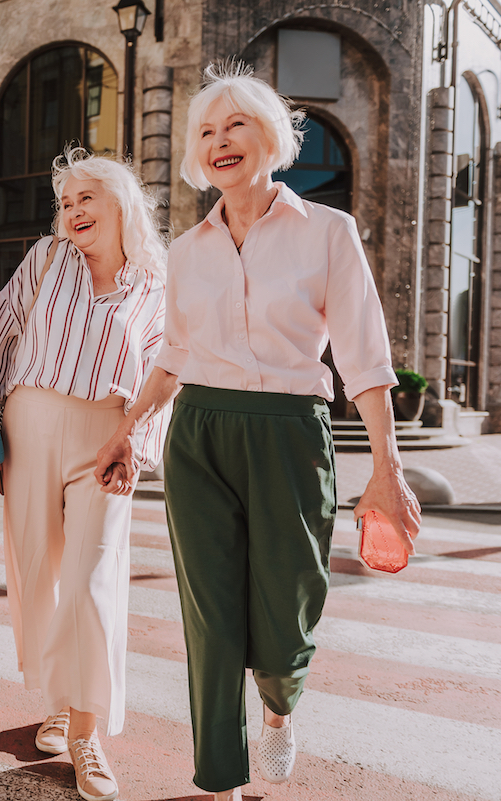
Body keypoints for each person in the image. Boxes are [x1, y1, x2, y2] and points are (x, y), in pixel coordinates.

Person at [94, 62, 422, 801]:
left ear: (269, 136)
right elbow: (174, 354)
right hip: (200, 434)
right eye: (206, 131)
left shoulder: (330, 232)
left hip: (290, 435)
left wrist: (385, 467)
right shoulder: (187, 250)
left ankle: (278, 708)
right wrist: (129, 428)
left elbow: (364, 356)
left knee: (287, 607)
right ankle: (220, 778)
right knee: (210, 618)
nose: (220, 140)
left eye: (236, 124)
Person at [0, 149, 169, 801]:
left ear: (123, 204)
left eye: (87, 197)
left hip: (107, 435)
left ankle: (86, 731)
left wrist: (136, 444)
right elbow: (4, 336)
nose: (74, 210)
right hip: (28, 424)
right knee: (36, 574)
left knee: (93, 582)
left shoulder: (153, 282)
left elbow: (160, 376)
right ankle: (58, 697)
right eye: (66, 202)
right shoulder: (45, 259)